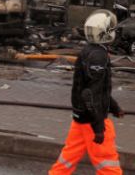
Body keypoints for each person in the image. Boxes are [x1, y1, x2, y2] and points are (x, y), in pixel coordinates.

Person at [49, 10, 124, 175]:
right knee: (108, 165)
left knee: (67, 159)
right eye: (111, 29)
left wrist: (113, 106)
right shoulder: (99, 56)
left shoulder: (89, 51)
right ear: (104, 33)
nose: (114, 32)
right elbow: (91, 93)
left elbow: (95, 88)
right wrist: (98, 127)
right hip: (93, 120)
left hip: (80, 118)